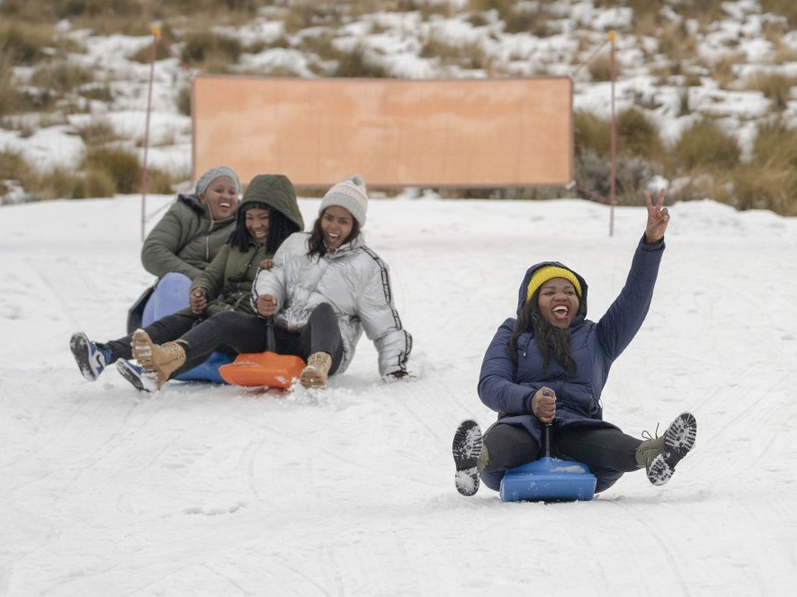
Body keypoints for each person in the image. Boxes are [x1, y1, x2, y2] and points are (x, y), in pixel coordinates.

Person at [451, 190, 697, 498]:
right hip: (520, 427)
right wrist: (530, 401)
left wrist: (651, 244)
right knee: (506, 442)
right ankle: (473, 462)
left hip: (580, 431)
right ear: (532, 303)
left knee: (609, 441)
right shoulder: (513, 333)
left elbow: (634, 299)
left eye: (569, 290)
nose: (561, 296)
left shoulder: (599, 337)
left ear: (577, 302)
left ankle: (656, 454)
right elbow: (490, 384)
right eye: (549, 291)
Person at [70, 174, 304, 391]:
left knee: (221, 321)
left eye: (264, 218)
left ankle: (160, 368)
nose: (256, 225)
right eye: (249, 218)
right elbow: (211, 274)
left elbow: (301, 290)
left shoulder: (293, 250)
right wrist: (201, 289)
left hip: (260, 326)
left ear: (281, 217)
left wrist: (273, 288)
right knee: (175, 321)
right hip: (225, 314)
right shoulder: (237, 243)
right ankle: (104, 354)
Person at [249, 173, 413, 389]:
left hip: (331, 350)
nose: (333, 227)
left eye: (343, 221)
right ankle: (188, 352)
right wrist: (267, 297)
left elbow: (383, 324)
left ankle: (318, 364)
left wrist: (395, 368)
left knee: (324, 310)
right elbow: (274, 276)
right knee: (226, 322)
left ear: (355, 225)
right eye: (329, 218)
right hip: (283, 339)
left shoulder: (369, 266)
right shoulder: (296, 243)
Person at [127, 166, 242, 333]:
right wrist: (203, 279)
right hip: (168, 303)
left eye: (232, 192)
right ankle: (165, 353)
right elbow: (153, 251)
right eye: (219, 190)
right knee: (174, 282)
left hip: (216, 304)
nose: (226, 196)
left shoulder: (243, 225)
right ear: (202, 195)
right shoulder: (184, 212)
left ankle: (207, 357)